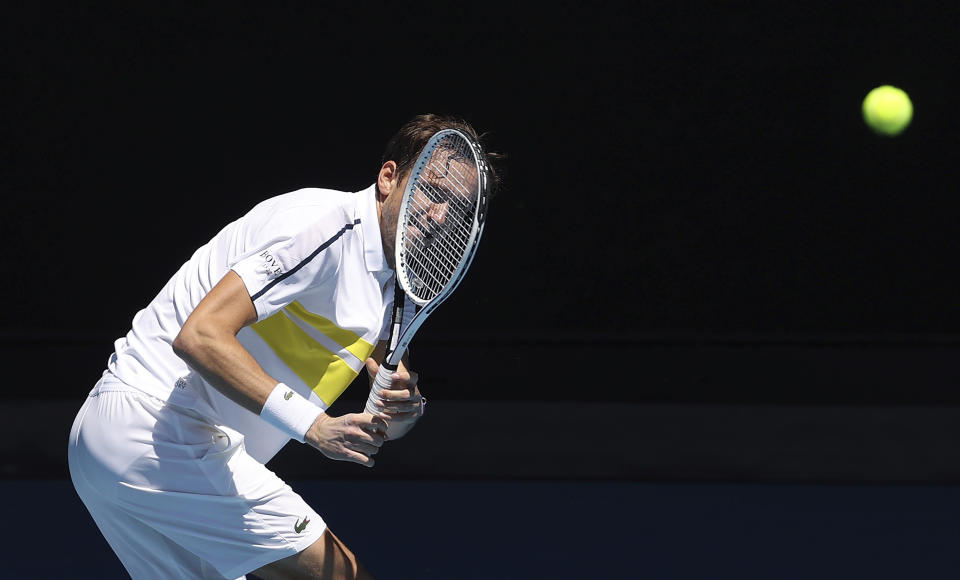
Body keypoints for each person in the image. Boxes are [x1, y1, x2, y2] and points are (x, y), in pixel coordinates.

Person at [67, 114, 500, 579]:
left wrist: (399, 414)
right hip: (155, 425)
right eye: (432, 192)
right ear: (389, 177)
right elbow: (200, 336)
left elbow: (381, 418)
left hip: (137, 447)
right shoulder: (323, 226)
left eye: (453, 208)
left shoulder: (391, 287)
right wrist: (313, 426)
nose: (437, 216)